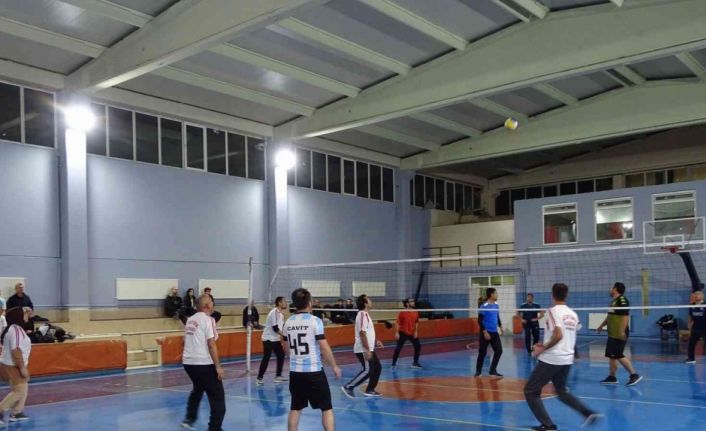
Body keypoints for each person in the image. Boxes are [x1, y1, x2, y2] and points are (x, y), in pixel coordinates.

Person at [524, 283, 601, 431]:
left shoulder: (552, 311)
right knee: (561, 391)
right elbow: (570, 337)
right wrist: (575, 354)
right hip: (566, 359)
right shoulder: (573, 314)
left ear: (552, 295)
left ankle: (548, 425)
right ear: (567, 295)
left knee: (531, 391)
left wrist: (543, 347)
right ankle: (588, 413)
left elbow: (558, 335)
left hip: (552, 358)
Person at [283, 288, 341, 431]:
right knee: (326, 408)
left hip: (295, 373)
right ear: (309, 303)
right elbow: (324, 347)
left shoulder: (288, 323)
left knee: (295, 408)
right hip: (314, 372)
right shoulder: (315, 321)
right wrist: (334, 366)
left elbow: (286, 349)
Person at [180, 294, 225, 431]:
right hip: (203, 363)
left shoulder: (190, 320)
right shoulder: (208, 320)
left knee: (198, 388)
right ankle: (214, 428)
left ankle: (189, 419)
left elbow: (184, 341)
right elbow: (211, 344)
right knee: (217, 397)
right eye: (211, 302)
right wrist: (218, 366)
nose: (213, 304)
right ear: (207, 306)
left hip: (188, 363)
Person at [596, 282, 642, 386]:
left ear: (615, 289)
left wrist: (621, 331)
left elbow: (625, 316)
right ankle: (612, 377)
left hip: (619, 333)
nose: (610, 289)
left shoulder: (622, 300)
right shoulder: (614, 301)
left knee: (617, 354)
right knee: (611, 355)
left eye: (611, 288)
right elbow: (609, 316)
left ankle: (634, 375)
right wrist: (601, 325)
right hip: (612, 333)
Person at [342, 294, 384, 398]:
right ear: (365, 303)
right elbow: (362, 332)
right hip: (363, 349)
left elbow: (367, 331)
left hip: (368, 348)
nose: (371, 300)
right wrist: (366, 349)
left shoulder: (366, 315)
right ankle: (348, 386)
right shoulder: (362, 315)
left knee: (377, 367)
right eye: (369, 299)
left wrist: (376, 340)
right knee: (368, 370)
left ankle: (370, 389)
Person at [0, 306, 34, 423]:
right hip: (12, 366)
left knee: (23, 387)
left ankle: (17, 412)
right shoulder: (16, 330)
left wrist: (28, 313)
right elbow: (16, 351)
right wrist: (22, 368)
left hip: (10, 364)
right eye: (24, 313)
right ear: (18, 316)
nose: (26, 315)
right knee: (19, 391)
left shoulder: (14, 328)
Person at [257, 297, 288, 385]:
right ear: (279, 303)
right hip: (268, 339)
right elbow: (275, 328)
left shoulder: (281, 314)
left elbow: (281, 328)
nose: (286, 303)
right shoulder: (274, 312)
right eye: (284, 301)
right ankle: (259, 378)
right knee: (266, 357)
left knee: (281, 355)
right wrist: (285, 336)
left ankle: (278, 376)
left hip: (275, 339)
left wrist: (284, 335)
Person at [475, 288, 503, 377]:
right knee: (482, 353)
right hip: (485, 333)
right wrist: (485, 332)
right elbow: (479, 321)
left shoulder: (496, 305)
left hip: (494, 332)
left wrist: (500, 327)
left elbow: (497, 317)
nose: (497, 295)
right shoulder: (484, 306)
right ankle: (478, 371)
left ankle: (492, 370)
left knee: (499, 351)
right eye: (496, 293)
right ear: (491, 295)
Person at [391, 297, 422, 369]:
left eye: (413, 301)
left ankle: (415, 363)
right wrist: (396, 333)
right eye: (411, 301)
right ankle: (393, 364)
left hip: (412, 333)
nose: (413, 302)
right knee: (398, 348)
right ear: (407, 304)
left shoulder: (416, 312)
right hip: (403, 333)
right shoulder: (402, 312)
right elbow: (397, 323)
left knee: (418, 346)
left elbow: (416, 322)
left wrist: (416, 331)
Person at [686, 290, 706, 364]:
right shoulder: (692, 305)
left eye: (698, 294)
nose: (696, 295)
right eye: (695, 294)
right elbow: (690, 316)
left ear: (702, 296)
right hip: (695, 328)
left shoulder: (705, 304)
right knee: (691, 344)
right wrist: (689, 324)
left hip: (704, 328)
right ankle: (691, 359)